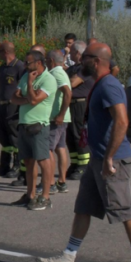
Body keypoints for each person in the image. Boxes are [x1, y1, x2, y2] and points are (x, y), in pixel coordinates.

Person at [36, 42, 131, 262]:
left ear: (96, 61)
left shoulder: (109, 85)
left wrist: (109, 156)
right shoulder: (100, 83)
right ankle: (68, 256)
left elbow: (122, 122)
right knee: (84, 207)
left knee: (124, 209)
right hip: (98, 159)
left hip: (112, 161)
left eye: (85, 58)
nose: (79, 62)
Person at [9, 50, 57, 210]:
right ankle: (30, 195)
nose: (25, 65)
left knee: (43, 161)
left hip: (39, 125)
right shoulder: (25, 75)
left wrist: (30, 85)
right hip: (24, 124)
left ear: (38, 62)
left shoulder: (48, 79)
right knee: (28, 162)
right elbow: (14, 98)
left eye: (28, 62)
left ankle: (45, 197)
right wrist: (27, 98)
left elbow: (35, 100)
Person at [0, 41, 26, 179]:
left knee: (14, 136)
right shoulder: (3, 67)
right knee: (4, 137)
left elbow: (23, 85)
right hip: (3, 104)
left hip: (13, 106)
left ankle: (17, 166)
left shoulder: (19, 66)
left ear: (6, 52)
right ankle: (4, 166)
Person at [65, 41, 93, 180]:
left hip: (80, 104)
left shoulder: (84, 68)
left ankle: (84, 166)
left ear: (77, 52)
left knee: (78, 134)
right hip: (70, 104)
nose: (69, 54)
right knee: (70, 136)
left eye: (71, 52)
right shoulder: (73, 68)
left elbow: (71, 83)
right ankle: (75, 164)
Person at [46, 50, 72, 194]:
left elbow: (67, 92)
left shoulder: (56, 73)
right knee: (60, 148)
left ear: (51, 60)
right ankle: (61, 181)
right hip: (61, 117)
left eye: (46, 60)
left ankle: (50, 183)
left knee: (48, 149)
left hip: (56, 118)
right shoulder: (61, 72)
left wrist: (60, 114)